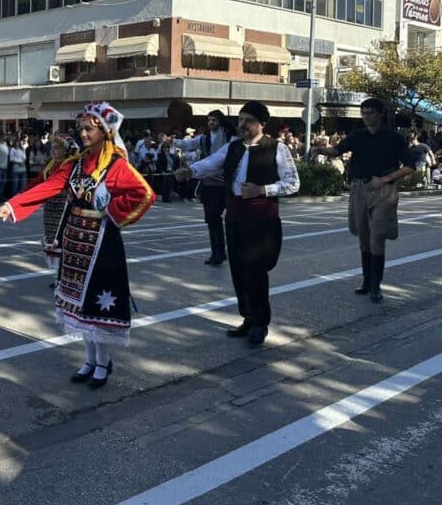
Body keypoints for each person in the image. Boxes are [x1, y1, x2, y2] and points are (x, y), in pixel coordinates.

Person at [0, 102, 155, 389]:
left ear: (104, 131)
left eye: (88, 128)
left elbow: (144, 194)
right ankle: (89, 358)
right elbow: (49, 186)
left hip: (102, 244)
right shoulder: (75, 165)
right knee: (78, 305)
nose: (82, 134)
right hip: (74, 242)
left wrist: (112, 209)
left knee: (96, 305)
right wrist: (14, 204)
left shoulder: (116, 166)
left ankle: (102, 360)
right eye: (80, 128)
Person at [175, 102, 300, 345]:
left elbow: (293, 183)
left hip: (262, 219)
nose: (242, 125)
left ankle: (260, 322)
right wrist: (190, 171)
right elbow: (211, 162)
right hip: (234, 217)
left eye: (248, 120)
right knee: (238, 270)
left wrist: (263, 189)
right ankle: (248, 317)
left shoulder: (277, 148)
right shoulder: (232, 147)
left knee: (256, 271)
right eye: (240, 120)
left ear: (261, 124)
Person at [319, 98, 415, 302]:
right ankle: (366, 281)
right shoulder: (356, 136)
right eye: (364, 112)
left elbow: (410, 166)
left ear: (380, 114)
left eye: (371, 112)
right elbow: (337, 151)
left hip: (383, 190)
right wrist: (320, 149)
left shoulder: (393, 138)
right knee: (363, 237)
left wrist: (385, 179)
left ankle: (376, 286)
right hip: (358, 188)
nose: (367, 116)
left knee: (377, 236)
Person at [174, 111, 238, 265]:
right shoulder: (204, 138)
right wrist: (173, 141)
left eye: (214, 120)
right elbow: (189, 144)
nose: (210, 123)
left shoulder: (232, 138)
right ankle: (217, 253)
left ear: (221, 121)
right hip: (209, 184)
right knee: (212, 219)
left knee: (232, 221)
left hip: (227, 184)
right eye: (209, 120)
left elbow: (220, 159)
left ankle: (231, 252)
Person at [22, 134, 80, 282]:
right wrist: (24, 194)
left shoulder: (71, 164)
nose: (53, 151)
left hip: (64, 205)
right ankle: (58, 276)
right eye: (52, 148)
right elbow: (39, 180)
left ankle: (64, 276)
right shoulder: (50, 163)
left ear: (64, 150)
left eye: (57, 148)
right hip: (50, 206)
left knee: (62, 239)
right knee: (51, 238)